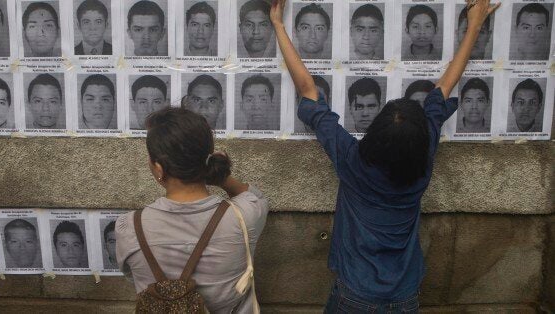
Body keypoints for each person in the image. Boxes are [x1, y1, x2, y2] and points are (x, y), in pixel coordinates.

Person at [270, 0, 499, 311]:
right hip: (405, 297)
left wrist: (279, 24)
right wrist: (474, 25)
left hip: (354, 295)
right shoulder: (422, 162)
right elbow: (445, 86)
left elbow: (308, 89)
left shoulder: (352, 161)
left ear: (375, 132)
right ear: (420, 139)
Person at [115, 107, 267, 312]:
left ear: (158, 168)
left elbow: (131, 276)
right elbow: (255, 196)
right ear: (208, 159)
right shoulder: (245, 216)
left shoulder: (129, 227)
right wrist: (220, 176)